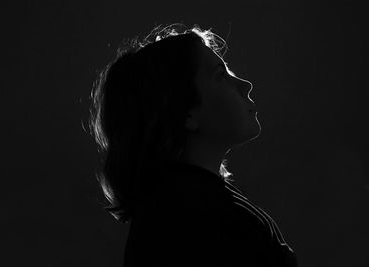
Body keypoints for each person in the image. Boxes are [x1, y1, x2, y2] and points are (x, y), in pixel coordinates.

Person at [88, 23, 298, 266]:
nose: (245, 85)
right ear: (184, 111)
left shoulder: (180, 208)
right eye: (221, 75)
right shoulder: (194, 218)